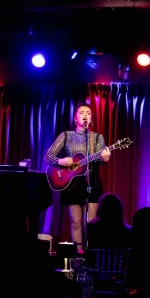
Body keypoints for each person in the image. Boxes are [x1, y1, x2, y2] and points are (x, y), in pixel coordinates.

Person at [45, 104, 111, 250]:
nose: (85, 115)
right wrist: (60, 161)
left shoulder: (98, 137)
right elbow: (48, 156)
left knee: (92, 222)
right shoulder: (66, 136)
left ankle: (91, 255)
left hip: (91, 180)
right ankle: (79, 255)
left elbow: (99, 160)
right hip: (71, 183)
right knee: (75, 221)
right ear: (75, 118)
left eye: (88, 113)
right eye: (82, 112)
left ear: (91, 118)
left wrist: (105, 159)